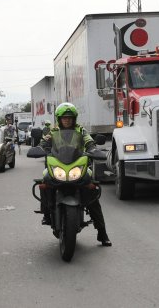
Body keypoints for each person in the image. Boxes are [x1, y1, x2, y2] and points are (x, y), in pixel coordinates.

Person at [40, 102, 112, 246]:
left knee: (92, 191)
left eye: (70, 118)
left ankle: (102, 233)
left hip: (77, 165)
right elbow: (43, 143)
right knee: (45, 179)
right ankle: (47, 212)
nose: (67, 120)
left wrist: (92, 149)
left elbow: (89, 142)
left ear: (74, 119)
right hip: (58, 165)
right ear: (59, 119)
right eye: (64, 118)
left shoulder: (81, 131)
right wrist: (41, 147)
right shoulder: (53, 132)